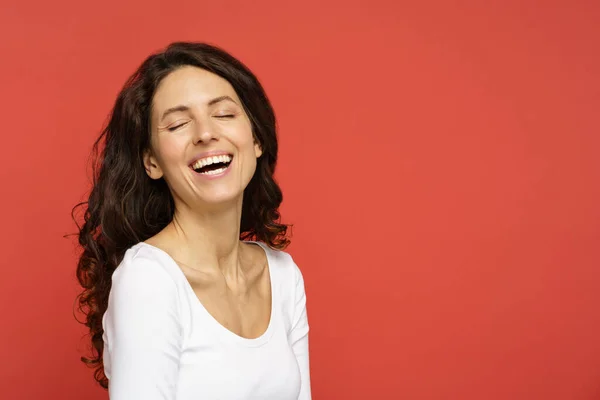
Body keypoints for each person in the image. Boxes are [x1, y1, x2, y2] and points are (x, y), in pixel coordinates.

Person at [73, 41, 311, 400]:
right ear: (151, 161)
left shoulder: (282, 275)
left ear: (256, 138)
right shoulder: (148, 279)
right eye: (179, 124)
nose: (204, 133)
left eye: (224, 114)